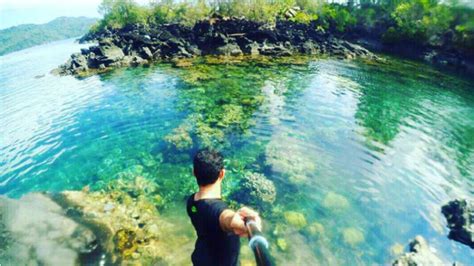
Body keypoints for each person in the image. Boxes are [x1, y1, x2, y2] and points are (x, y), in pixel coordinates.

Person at [186, 148, 262, 266]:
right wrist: (246, 223)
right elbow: (225, 218)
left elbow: (215, 216)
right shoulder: (217, 209)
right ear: (222, 173)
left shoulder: (191, 202)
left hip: (200, 258)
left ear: (194, 172)